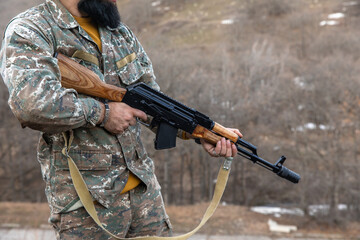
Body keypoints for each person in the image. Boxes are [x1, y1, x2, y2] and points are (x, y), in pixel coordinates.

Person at [0, 0, 242, 239]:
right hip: (87, 207)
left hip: (146, 199)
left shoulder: (119, 32)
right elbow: (31, 104)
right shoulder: (32, 28)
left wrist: (198, 133)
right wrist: (103, 114)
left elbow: (153, 104)